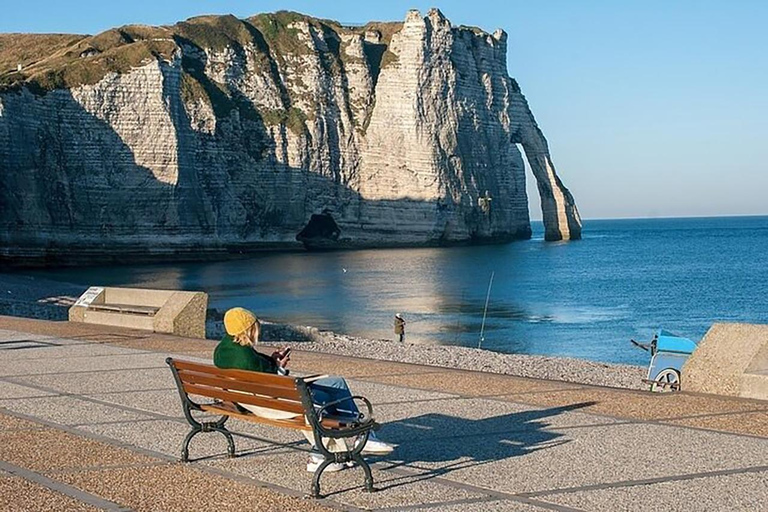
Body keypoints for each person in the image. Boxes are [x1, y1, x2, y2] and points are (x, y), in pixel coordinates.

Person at [214, 307, 395, 472]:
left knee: (335, 383)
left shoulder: (224, 350)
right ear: (249, 329)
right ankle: (346, 442)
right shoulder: (245, 356)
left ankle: (357, 437)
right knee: (328, 392)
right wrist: (280, 368)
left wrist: (274, 363)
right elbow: (273, 382)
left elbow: (259, 373)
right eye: (256, 326)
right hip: (279, 402)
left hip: (251, 400)